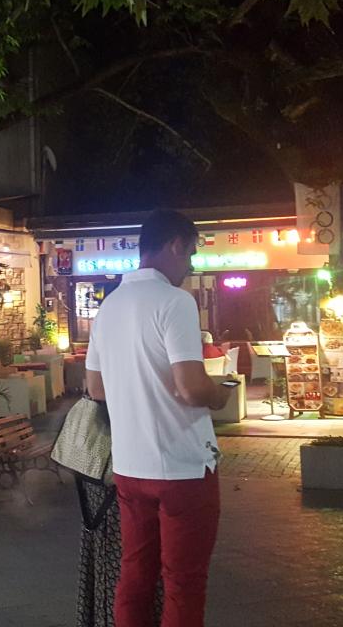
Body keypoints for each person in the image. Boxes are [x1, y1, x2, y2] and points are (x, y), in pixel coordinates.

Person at [86, 209, 230, 627]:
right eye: (191, 255)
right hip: (182, 467)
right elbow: (192, 388)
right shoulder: (174, 301)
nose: (190, 266)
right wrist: (220, 393)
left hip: (130, 468)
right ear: (175, 245)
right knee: (184, 581)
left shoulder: (110, 307)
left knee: (135, 573)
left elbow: (96, 388)